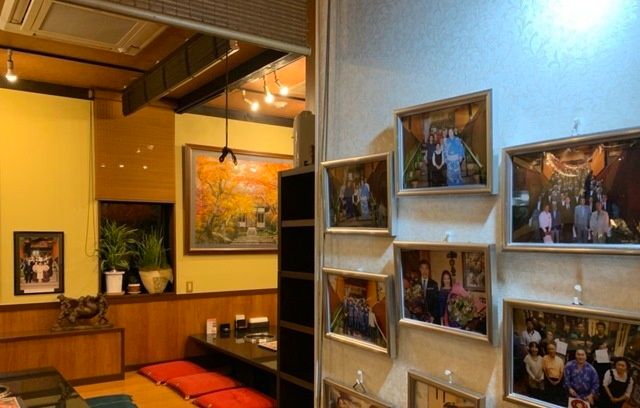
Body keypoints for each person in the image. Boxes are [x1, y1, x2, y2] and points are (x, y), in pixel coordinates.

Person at [419, 260, 439, 324]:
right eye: (422, 268)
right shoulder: (416, 283)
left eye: (426, 268)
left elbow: (436, 302)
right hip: (418, 317)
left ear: (429, 270)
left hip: (431, 317)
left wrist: (433, 316)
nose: (424, 271)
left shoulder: (434, 284)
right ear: (420, 269)